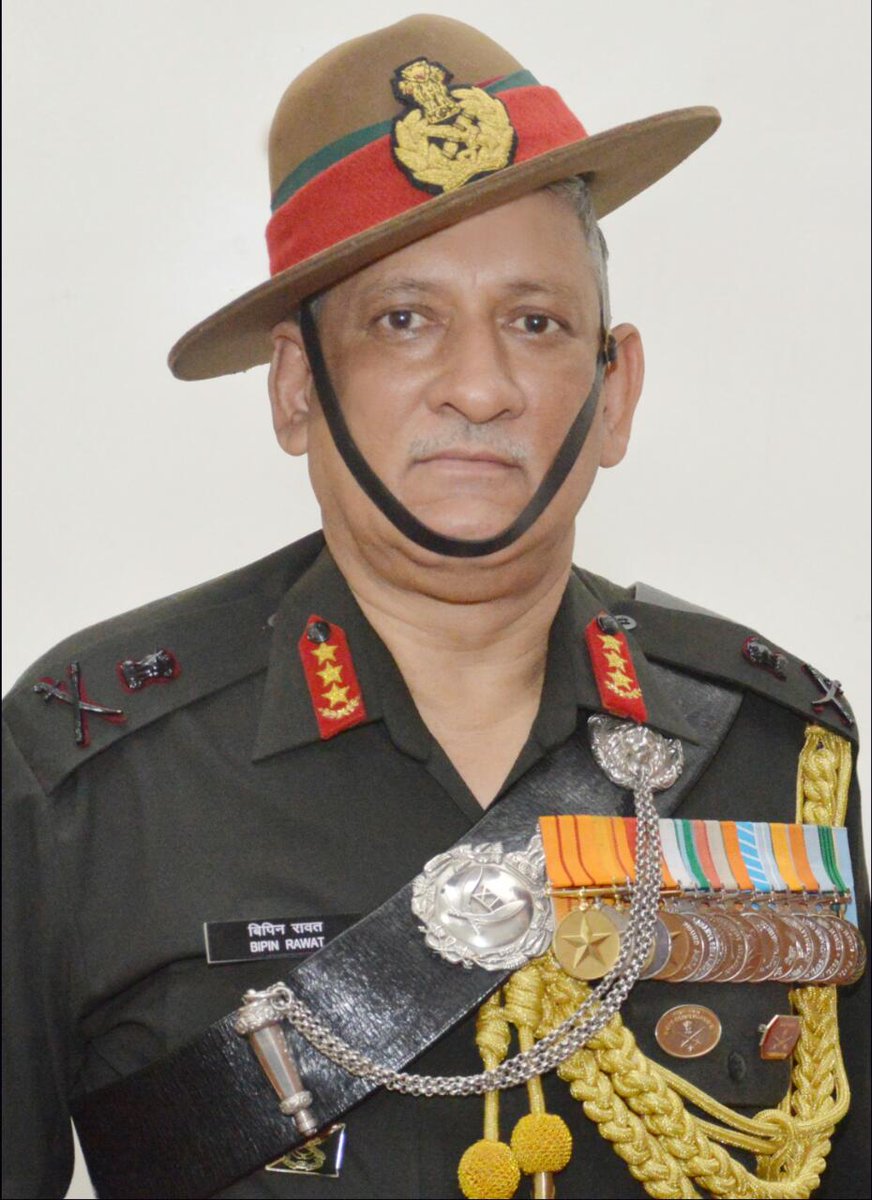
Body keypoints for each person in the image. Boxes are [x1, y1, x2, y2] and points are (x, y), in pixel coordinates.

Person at [2, 13, 868, 1200]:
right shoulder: (91, 773)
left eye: (534, 323)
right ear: (297, 388)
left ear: (613, 393)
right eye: (403, 321)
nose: (478, 387)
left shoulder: (771, 747)